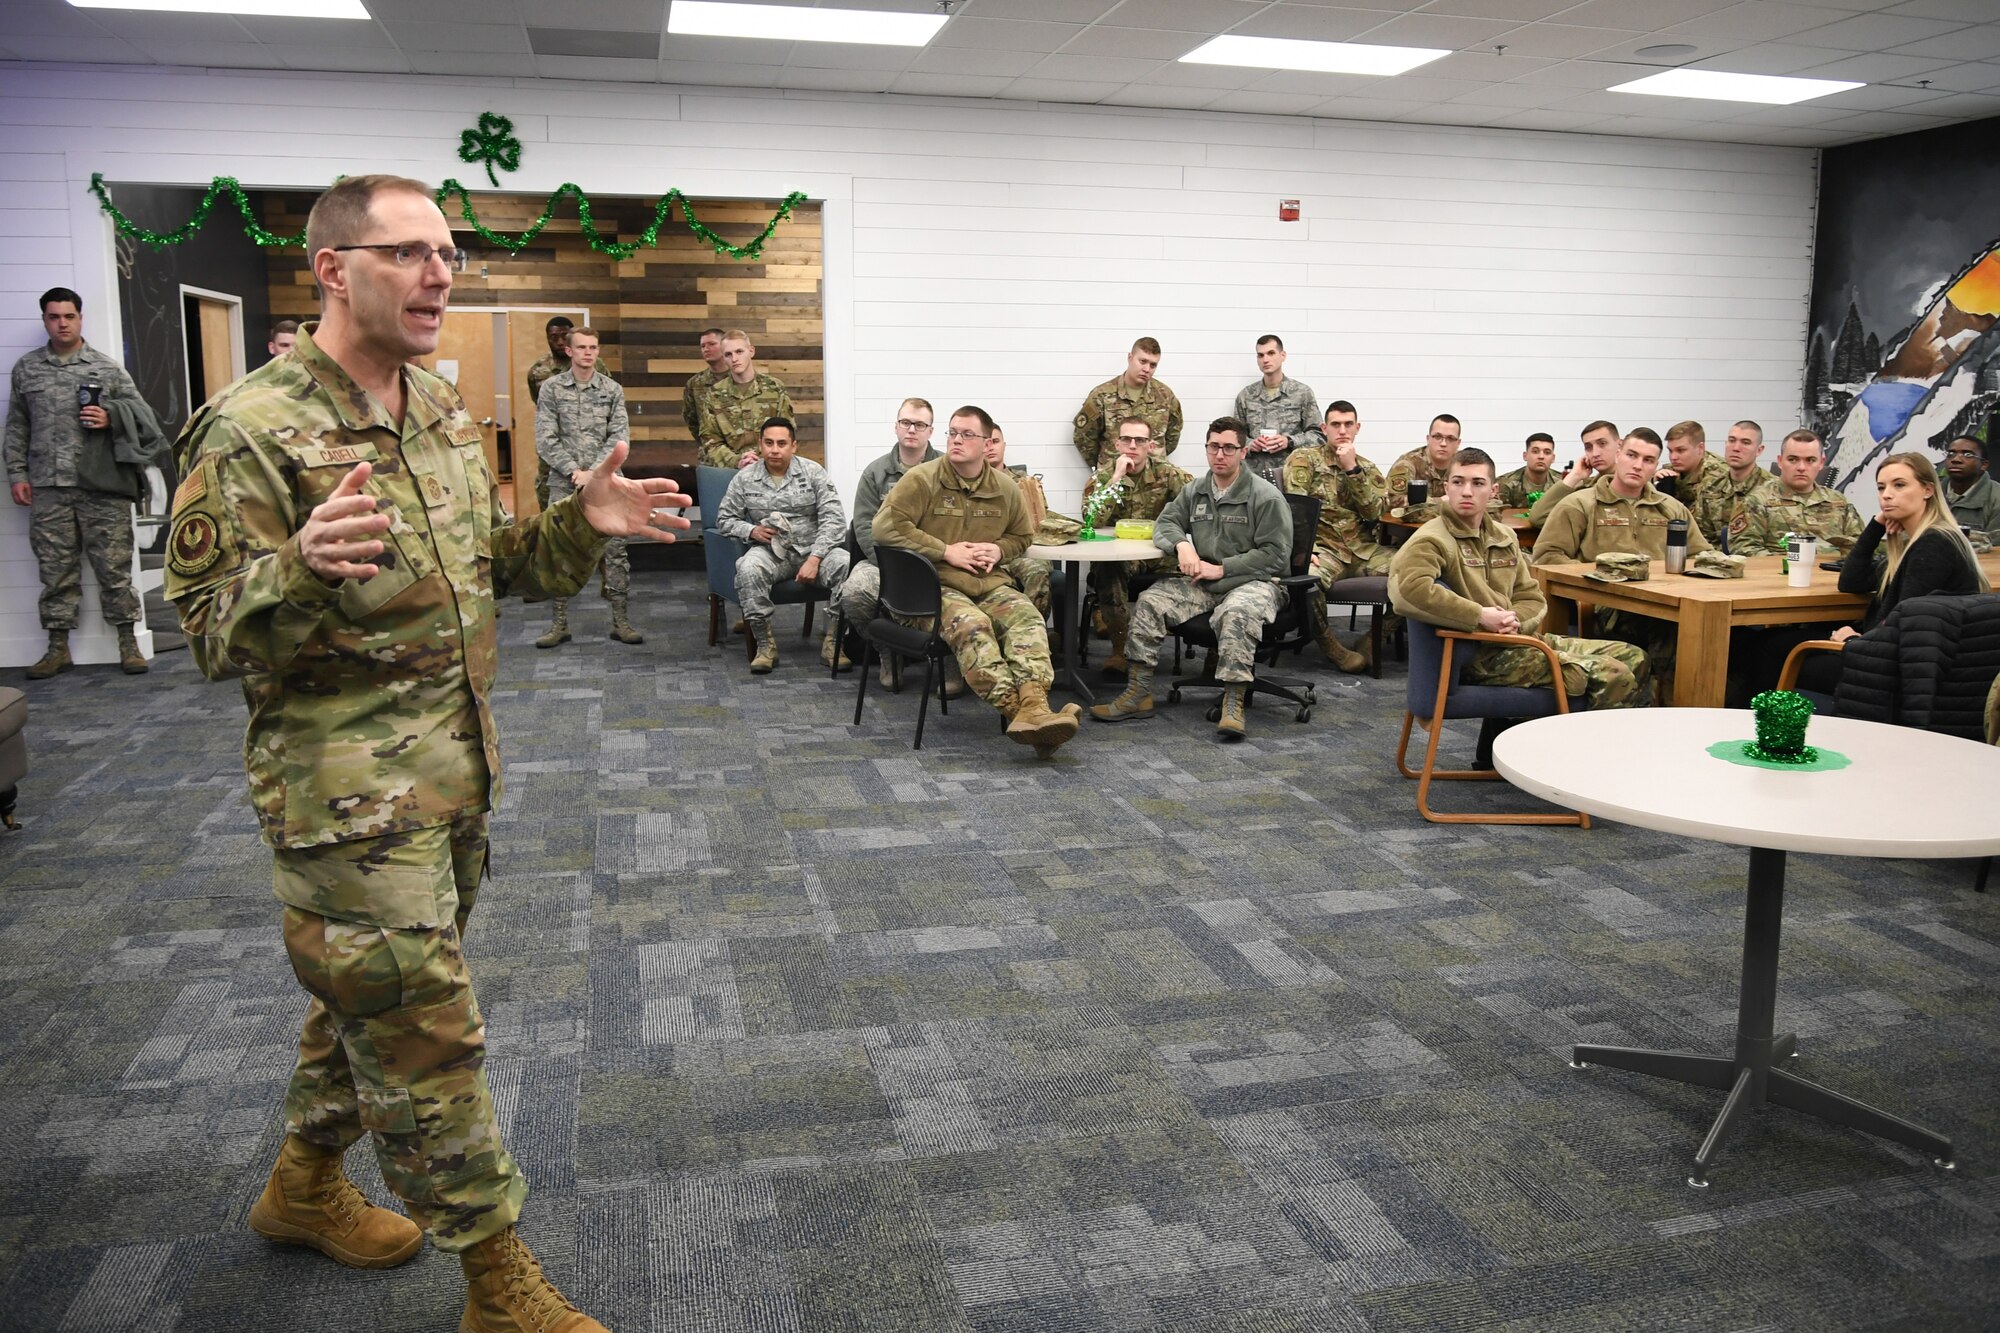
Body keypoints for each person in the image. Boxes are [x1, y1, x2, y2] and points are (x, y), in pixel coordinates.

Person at [165, 173, 688, 1333]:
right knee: (429, 1032)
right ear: (334, 270)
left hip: (453, 779)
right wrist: (298, 564)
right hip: (345, 804)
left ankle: (301, 1187)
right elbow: (201, 627)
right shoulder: (250, 427)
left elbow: (480, 565)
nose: (438, 272)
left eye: (447, 253)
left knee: (373, 1004)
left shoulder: (439, 409)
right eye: (407, 252)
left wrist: (569, 527)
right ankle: (498, 1285)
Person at [1391, 447, 1650, 761]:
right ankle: (1590, 767)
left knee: (1634, 655)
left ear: (1493, 490)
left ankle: (1576, 755)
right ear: (1445, 489)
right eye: (1457, 482)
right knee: (1612, 673)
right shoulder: (1432, 539)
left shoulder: (1503, 536)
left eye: (1477, 483)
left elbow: (1532, 597)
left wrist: (1513, 622)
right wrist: (1480, 617)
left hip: (1517, 641)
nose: (1466, 491)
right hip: (1478, 655)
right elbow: (1409, 590)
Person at [874, 405, 1079, 758]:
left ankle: (1034, 705)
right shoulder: (922, 479)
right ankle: (1019, 711)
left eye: (967, 434)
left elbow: (1022, 536)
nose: (957, 440)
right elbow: (884, 528)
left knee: (1027, 617)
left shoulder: (1004, 487)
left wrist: (999, 550)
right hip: (931, 589)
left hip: (987, 583)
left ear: (986, 443)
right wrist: (944, 551)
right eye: (952, 432)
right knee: (973, 626)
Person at [1092, 417, 1292, 741]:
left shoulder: (1264, 496)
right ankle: (1138, 693)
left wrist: (1224, 568)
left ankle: (1233, 701)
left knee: (1237, 613)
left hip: (1256, 581)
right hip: (1207, 581)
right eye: (1214, 446)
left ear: (1243, 452)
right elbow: (1165, 523)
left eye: (1229, 447)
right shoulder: (1197, 490)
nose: (1220, 454)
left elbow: (1277, 555)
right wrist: (1182, 545)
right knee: (1151, 602)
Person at [1750, 452, 1987, 697]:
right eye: (1881, 487)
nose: (1887, 494)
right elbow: (1851, 582)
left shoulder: (1934, 544)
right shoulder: (1913, 541)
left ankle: (1760, 725)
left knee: (1775, 656)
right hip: (1889, 651)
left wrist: (1854, 641)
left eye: (1899, 485)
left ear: (1928, 490)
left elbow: (1906, 625)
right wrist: (1876, 525)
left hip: (1896, 667)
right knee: (1772, 642)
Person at [5, 286, 151, 677]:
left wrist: (110, 419)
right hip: (48, 488)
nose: (62, 323)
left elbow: (142, 418)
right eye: (54, 317)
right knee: (55, 571)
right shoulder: (27, 369)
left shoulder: (105, 368)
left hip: (100, 486)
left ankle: (128, 642)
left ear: (80, 318)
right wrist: (17, 474)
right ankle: (57, 648)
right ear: (45, 320)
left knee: (114, 567)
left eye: (69, 316)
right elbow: (17, 427)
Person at [1533, 427, 1710, 685]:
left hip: (1670, 603)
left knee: (1722, 635)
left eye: (1648, 460)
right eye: (1632, 455)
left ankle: (1687, 710)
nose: (1638, 465)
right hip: (1607, 606)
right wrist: (1599, 576)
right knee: (1673, 632)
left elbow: (1701, 554)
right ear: (1618, 455)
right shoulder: (1580, 504)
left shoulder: (1671, 508)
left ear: (1656, 466)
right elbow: (1547, 556)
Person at [533, 327, 643, 648]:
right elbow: (545, 438)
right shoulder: (551, 389)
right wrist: (573, 470)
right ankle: (559, 624)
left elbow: (619, 437)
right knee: (559, 551)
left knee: (616, 551)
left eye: (593, 347)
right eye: (581, 347)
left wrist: (593, 473)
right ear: (569, 351)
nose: (588, 353)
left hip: (607, 484)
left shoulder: (612, 390)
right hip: (563, 483)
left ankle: (620, 621)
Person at [716, 417, 850, 673]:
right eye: (768, 443)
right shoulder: (745, 479)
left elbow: (834, 520)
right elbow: (724, 519)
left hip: (814, 551)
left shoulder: (813, 472)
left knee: (845, 563)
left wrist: (816, 558)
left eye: (781, 443)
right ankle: (765, 645)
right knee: (748, 568)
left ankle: (834, 643)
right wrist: (751, 530)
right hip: (771, 553)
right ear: (760, 444)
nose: (774, 449)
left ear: (794, 446)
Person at [1080, 417, 1191, 677]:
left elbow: (1197, 506)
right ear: (1117, 444)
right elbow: (1090, 521)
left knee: (1201, 569)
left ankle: (1206, 651)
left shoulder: (1168, 473)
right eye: (1127, 440)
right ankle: (1120, 650)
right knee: (1107, 572)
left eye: (1140, 440)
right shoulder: (1105, 475)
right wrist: (1116, 478)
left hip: (1161, 553)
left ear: (1150, 445)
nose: (1133, 445)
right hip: (1119, 556)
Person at [1280, 399, 1384, 673]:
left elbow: (1374, 513)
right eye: (1336, 424)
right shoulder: (1305, 459)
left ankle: (1374, 638)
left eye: (1348, 424)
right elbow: (1294, 508)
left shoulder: (1367, 468)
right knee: (1308, 584)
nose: (1342, 430)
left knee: (1417, 573)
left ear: (1357, 428)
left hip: (1364, 550)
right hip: (1324, 549)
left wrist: (1352, 470)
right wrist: (1304, 550)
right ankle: (1332, 647)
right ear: (1325, 428)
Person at [842, 398, 939, 686]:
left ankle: (951, 662)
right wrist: (890, 566)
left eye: (920, 424)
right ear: (896, 427)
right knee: (855, 592)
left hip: (936, 561)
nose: (912, 429)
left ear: (930, 431)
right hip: (885, 562)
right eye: (906, 422)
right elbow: (863, 525)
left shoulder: (947, 469)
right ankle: (888, 652)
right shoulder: (876, 473)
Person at [1727, 429, 1862, 557]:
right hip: (1779, 576)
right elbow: (1743, 549)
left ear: (1821, 463)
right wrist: (1793, 561)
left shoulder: (1838, 502)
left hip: (1832, 577)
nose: (1801, 468)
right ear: (1780, 461)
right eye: (1793, 459)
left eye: (1810, 460)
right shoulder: (1756, 501)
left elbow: (1861, 546)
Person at [1072, 336, 1183, 470]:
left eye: (1153, 365)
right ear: (1130, 357)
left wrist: (1152, 458)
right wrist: (1107, 462)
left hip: (1154, 481)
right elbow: (1084, 439)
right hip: (1113, 478)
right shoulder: (1102, 395)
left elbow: (1173, 435)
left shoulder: (1165, 396)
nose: (1147, 369)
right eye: (1142, 361)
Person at [985, 420, 1054, 623]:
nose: (990, 448)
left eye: (995, 441)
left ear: (1003, 445)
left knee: (1038, 570)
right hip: (987, 556)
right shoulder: (969, 482)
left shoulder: (1026, 482)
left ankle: (1033, 630)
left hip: (1023, 554)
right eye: (986, 442)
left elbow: (1042, 521)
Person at [694, 329, 791, 470]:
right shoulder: (714, 394)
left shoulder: (774, 388)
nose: (734, 359)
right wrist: (737, 461)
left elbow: (786, 433)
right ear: (723, 357)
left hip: (770, 469)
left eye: (739, 352)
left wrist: (761, 461)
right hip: (730, 472)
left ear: (751, 351)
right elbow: (710, 441)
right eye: (728, 354)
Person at [1232, 334, 1321, 485]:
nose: (1265, 359)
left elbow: (1318, 436)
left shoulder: (1301, 393)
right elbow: (1235, 437)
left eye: (1271, 353)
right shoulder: (1246, 396)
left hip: (1292, 477)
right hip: (1254, 477)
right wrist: (1251, 444)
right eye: (1261, 355)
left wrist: (1289, 441)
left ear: (1282, 355)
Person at [1527, 419, 1620, 525]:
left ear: (1620, 445)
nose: (1595, 453)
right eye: (1588, 447)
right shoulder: (1585, 489)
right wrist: (1575, 475)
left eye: (1602, 443)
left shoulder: (1636, 486)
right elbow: (1538, 517)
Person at [523, 315, 572, 512]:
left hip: (586, 448)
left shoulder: (592, 366)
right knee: (550, 504)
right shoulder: (538, 371)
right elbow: (539, 404)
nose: (559, 341)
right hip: (552, 450)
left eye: (564, 336)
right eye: (554, 337)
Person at [1657, 420, 1734, 544]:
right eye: (1670, 451)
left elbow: (1718, 534)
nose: (1673, 457)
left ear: (1700, 448)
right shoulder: (1670, 472)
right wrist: (1651, 483)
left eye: (1680, 450)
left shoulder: (1718, 477)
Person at [1385, 414, 1460, 513]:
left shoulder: (1466, 464)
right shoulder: (1408, 463)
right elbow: (1393, 501)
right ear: (1428, 439)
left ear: (1458, 443)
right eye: (1437, 437)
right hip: (1411, 527)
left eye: (1450, 438)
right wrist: (1440, 501)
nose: (1443, 443)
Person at [1941, 435, 2000, 538]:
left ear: (1984, 465)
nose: (1956, 459)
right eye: (1951, 453)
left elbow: (1994, 549)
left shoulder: (1996, 499)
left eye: (1967, 454)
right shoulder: (1929, 492)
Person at [1720, 420, 1776, 518]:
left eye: (1745, 443)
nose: (1736, 448)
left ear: (1759, 450)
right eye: (1732, 441)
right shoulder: (1710, 487)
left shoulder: (1774, 490)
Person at [680, 326, 727, 439]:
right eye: (703, 346)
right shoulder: (695, 383)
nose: (706, 349)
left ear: (725, 346)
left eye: (711, 344)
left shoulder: (740, 377)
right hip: (710, 450)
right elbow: (691, 419)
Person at [1494, 433, 1556, 509]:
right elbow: (1497, 515)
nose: (1541, 456)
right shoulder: (1506, 483)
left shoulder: (1563, 482)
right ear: (1525, 456)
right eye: (1535, 451)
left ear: (1553, 458)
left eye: (1547, 452)